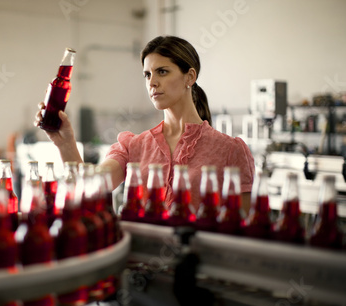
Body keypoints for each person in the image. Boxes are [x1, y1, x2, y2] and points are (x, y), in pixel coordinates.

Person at [35, 35, 255, 214]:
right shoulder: (134, 146)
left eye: (162, 71)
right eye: (147, 74)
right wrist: (65, 144)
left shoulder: (230, 150)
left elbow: (242, 228)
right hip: (140, 262)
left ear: (190, 77)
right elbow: (91, 187)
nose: (152, 82)